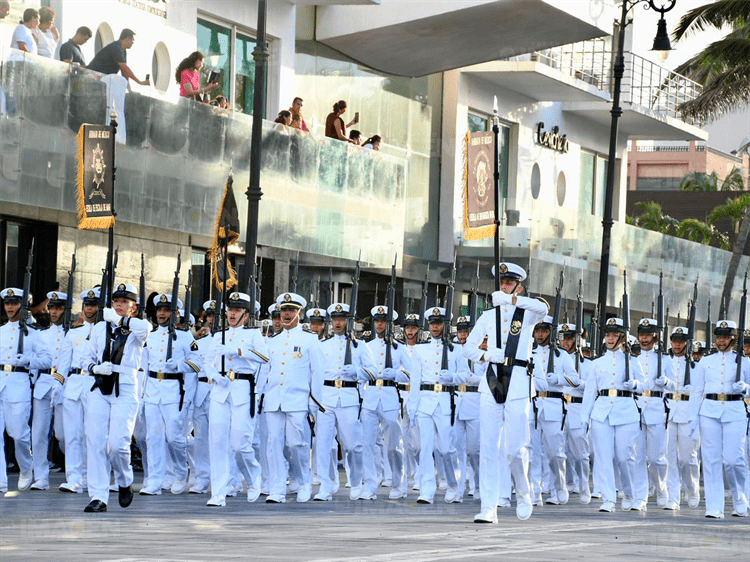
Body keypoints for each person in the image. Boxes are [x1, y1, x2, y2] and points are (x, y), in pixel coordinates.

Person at [464, 262, 548, 522]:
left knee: (514, 449)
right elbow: (468, 348)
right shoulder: (488, 316)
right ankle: (489, 507)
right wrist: (488, 354)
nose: (503, 286)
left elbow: (544, 308)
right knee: (488, 447)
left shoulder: (527, 314)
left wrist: (513, 300)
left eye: (509, 283)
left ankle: (523, 492)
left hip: (519, 382)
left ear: (518, 286)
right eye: (501, 283)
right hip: (492, 381)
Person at [81, 282, 152, 513]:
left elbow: (146, 329)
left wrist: (120, 321)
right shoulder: (100, 329)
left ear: (133, 307)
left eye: (125, 303)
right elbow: (85, 357)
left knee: (118, 445)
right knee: (95, 441)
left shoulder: (135, 327)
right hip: (101, 388)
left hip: (125, 388)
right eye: (116, 302)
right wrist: (94, 368)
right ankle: (98, 496)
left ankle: (124, 480)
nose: (119, 305)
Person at [203, 292, 269, 507]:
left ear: (246, 315)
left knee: (240, 444)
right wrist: (213, 376)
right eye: (231, 310)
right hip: (221, 391)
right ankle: (218, 493)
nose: (233, 314)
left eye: (238, 310)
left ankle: (253, 478)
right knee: (217, 443)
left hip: (242, 388)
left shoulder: (253, 335)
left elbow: (264, 357)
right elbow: (207, 362)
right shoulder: (218, 335)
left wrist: (239, 350)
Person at [261, 292, 324, 504]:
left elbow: (317, 373)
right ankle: (277, 488)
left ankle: (303, 481)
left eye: (291, 310)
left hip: (298, 400)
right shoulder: (272, 342)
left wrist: (313, 403)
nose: (287, 314)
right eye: (284, 311)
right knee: (274, 444)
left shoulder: (309, 339)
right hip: (274, 400)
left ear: (299, 313)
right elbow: (265, 372)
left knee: (297, 443)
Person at [139, 294, 201, 497]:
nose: (162, 314)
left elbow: (197, 364)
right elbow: (143, 367)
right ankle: (155, 481)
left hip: (173, 390)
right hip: (152, 392)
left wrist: (180, 365)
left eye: (166, 311)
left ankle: (181, 472)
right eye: (160, 310)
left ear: (175, 314)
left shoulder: (185, 337)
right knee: (153, 437)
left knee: (174, 437)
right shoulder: (150, 335)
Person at [314, 303, 376, 501]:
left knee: (352, 446)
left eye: (342, 319)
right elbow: (313, 373)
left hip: (349, 397)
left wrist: (357, 373)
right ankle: (326, 485)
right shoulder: (322, 345)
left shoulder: (360, 345)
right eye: (335, 319)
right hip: (326, 397)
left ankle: (356, 481)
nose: (338, 323)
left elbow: (373, 371)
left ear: (349, 321)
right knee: (323, 444)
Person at [581, 317, 644, 513]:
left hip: (626, 410)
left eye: (615, 334)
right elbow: (590, 392)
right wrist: (584, 418)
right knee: (603, 457)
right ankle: (608, 499)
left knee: (625, 456)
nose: (610, 338)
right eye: (608, 334)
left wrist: (634, 385)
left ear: (622, 338)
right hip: (601, 412)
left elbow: (643, 386)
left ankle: (629, 493)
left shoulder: (633, 362)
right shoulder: (597, 363)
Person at [689, 320, 749, 518]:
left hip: (735, 411)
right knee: (711, 460)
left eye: (725, 337)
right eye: (719, 337)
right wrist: (693, 417)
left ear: (733, 338)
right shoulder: (706, 362)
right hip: (710, 412)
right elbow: (697, 391)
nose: (721, 341)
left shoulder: (745, 362)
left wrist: (746, 389)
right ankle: (714, 507)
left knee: (733, 460)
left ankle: (740, 497)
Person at [409, 307, 466, 504]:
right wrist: (412, 406)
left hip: (445, 401)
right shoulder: (419, 349)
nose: (435, 327)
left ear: (445, 325)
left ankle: (453, 485)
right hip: (425, 401)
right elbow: (415, 380)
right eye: (432, 323)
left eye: (439, 323)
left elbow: (465, 375)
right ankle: (427, 490)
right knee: (425, 448)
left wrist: (453, 378)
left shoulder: (457, 349)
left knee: (446, 448)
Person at [0, 287, 51, 493]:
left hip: (19, 383)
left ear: (23, 305)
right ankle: (1, 480)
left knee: (18, 433)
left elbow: (47, 360)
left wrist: (30, 360)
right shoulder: (1, 331)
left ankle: (26, 467)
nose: (10, 307)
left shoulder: (33, 333)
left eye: (14, 303)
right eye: (7, 304)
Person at [362, 305, 414, 500]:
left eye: (383, 321)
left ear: (390, 324)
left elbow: (411, 374)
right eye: (377, 321)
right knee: (367, 444)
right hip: (371, 397)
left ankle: (398, 483)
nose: (380, 324)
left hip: (391, 397)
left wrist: (397, 374)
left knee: (393, 445)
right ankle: (370, 485)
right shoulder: (366, 346)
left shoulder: (399, 348)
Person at [530, 316, 580, 506]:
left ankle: (558, 487)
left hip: (553, 404)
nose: (540, 335)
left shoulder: (561, 355)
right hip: (534, 404)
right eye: (537, 331)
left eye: (543, 331)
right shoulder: (529, 352)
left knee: (555, 453)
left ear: (551, 332)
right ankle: (536, 492)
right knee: (533, 451)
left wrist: (558, 379)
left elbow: (575, 380)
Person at [29, 291, 70, 490]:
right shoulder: (41, 334)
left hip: (65, 385)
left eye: (58, 308)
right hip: (44, 383)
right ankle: (41, 477)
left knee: (63, 435)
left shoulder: (73, 334)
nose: (54, 312)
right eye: (52, 308)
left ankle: (74, 474)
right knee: (38, 434)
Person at [632, 318, 674, 511]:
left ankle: (661, 486)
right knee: (638, 456)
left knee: (657, 458)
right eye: (642, 335)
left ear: (655, 337)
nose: (644, 338)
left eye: (648, 335)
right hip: (637, 408)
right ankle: (641, 496)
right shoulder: (633, 359)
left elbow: (675, 386)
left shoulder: (664, 359)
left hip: (657, 408)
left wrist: (665, 382)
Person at [663, 326, 700, 511]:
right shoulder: (665, 362)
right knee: (669, 457)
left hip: (687, 413)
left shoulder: (696, 366)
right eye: (675, 341)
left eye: (681, 341)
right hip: (669, 411)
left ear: (688, 343)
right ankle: (673, 497)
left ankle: (692, 489)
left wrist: (691, 392)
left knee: (687, 458)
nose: (677, 345)